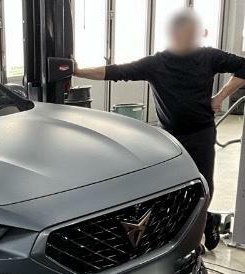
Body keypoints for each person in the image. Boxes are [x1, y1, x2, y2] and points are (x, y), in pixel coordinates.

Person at [74, 8, 245, 250]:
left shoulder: (209, 56)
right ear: (173, 33)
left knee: (203, 186)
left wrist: (220, 96)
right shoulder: (156, 63)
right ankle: (200, 224)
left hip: (202, 133)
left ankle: (198, 232)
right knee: (173, 191)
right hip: (170, 139)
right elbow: (116, 71)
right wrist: (78, 71)